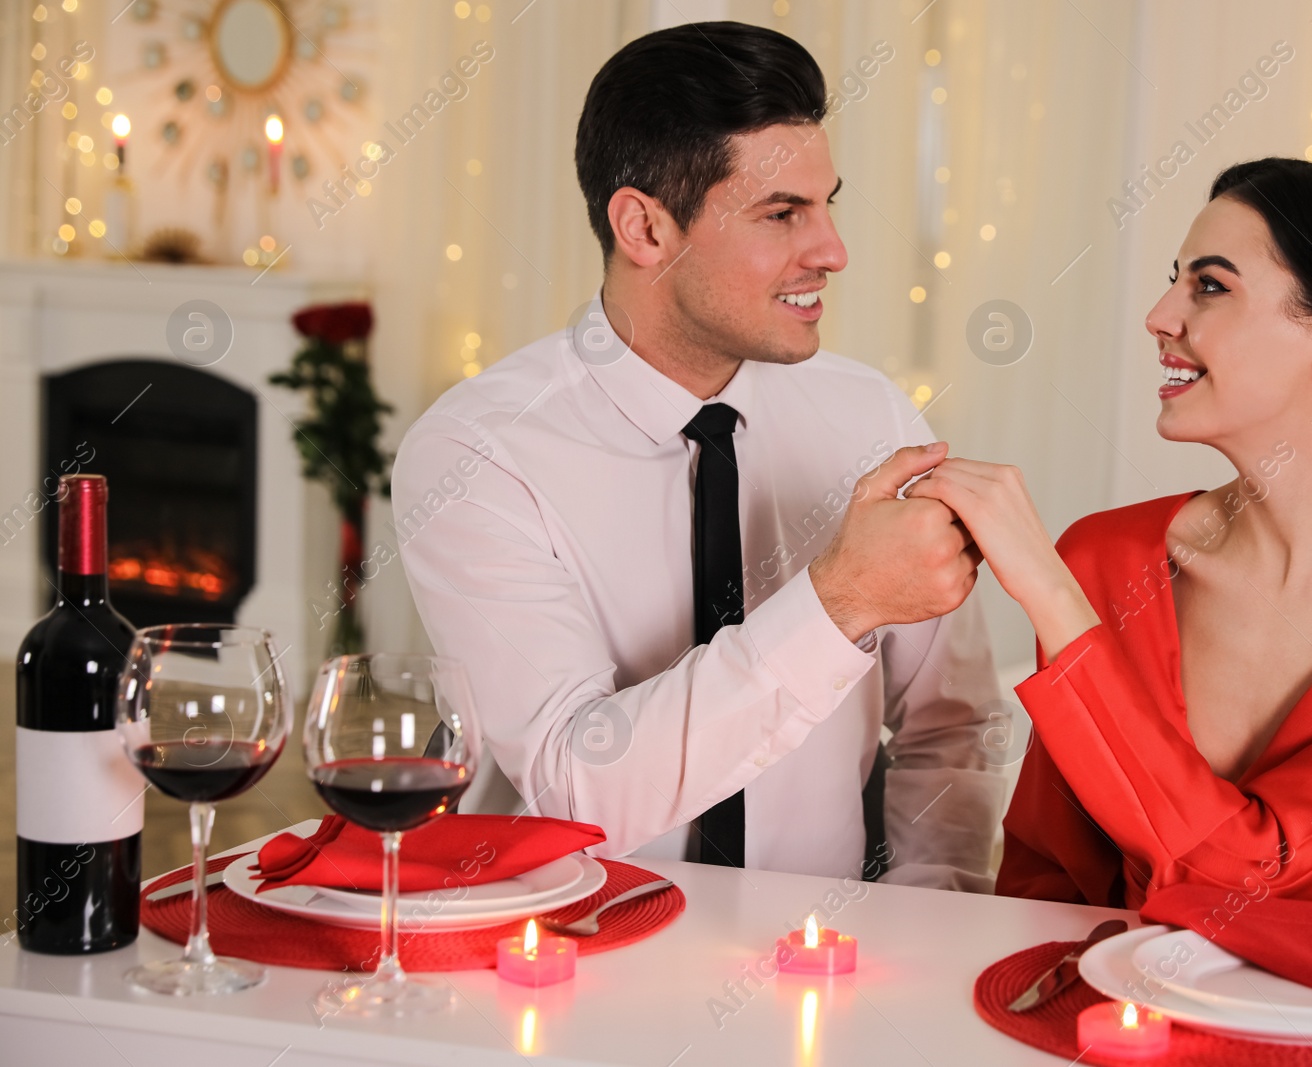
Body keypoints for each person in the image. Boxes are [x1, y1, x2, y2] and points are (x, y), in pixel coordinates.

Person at [391, 22, 1003, 891]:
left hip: (822, 968)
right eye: (781, 213)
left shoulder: (869, 414)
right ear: (644, 227)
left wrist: (926, 905)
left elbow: (954, 724)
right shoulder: (477, 454)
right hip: (567, 953)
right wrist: (836, 603)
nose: (832, 249)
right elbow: (577, 783)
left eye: (827, 202)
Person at [908, 158, 1312, 917]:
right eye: (1175, 279)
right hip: (1105, 1021)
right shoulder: (1107, 559)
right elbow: (1046, 879)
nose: (1160, 315)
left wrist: (1051, 596)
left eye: (1210, 286)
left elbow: (1252, 881)